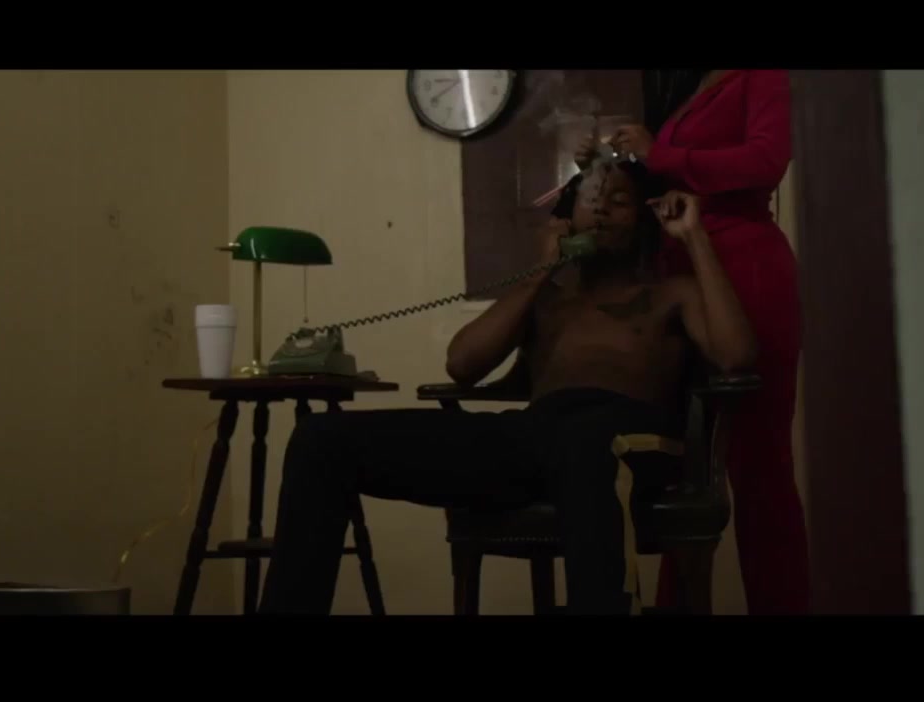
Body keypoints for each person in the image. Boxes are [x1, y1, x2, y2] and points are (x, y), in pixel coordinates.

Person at [257, 160, 757, 614]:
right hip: (536, 436)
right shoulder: (547, 299)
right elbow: (462, 364)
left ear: (646, 219)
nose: (601, 208)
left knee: (588, 443)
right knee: (321, 440)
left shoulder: (672, 295)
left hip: (629, 435)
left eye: (619, 200)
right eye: (589, 199)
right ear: (566, 220)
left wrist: (694, 238)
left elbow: (735, 355)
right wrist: (539, 274)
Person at [577, 69, 809, 615]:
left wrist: (659, 154)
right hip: (681, 269)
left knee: (759, 464)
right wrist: (607, 164)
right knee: (686, 463)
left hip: (744, 268)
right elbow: (672, 178)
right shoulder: (696, 83)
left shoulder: (763, 75)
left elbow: (765, 161)